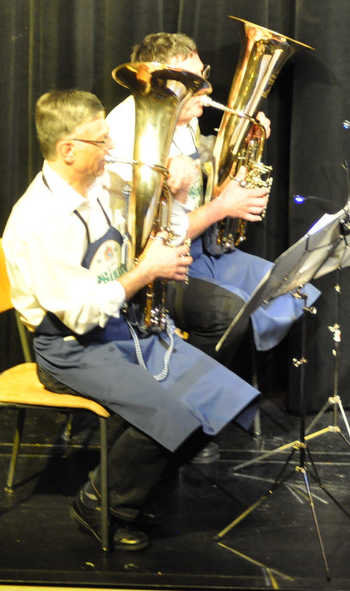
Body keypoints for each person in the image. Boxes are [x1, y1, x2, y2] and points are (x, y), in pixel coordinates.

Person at [3, 89, 261, 551]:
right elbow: (79, 314)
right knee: (170, 412)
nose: (112, 149)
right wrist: (145, 272)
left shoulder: (102, 186)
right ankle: (100, 503)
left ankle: (142, 490)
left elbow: (154, 234)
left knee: (216, 398)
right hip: (69, 346)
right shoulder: (39, 220)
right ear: (68, 150)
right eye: (101, 141)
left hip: (117, 324)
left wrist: (175, 200)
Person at [106, 32, 320, 366]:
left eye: (202, 76)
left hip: (199, 247)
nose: (204, 90)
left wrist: (241, 145)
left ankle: (233, 383)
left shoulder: (185, 118)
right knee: (232, 313)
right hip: (156, 268)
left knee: (293, 284)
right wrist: (222, 207)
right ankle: (189, 386)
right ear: (159, 79)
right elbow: (152, 239)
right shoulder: (126, 133)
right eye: (192, 81)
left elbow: (199, 161)